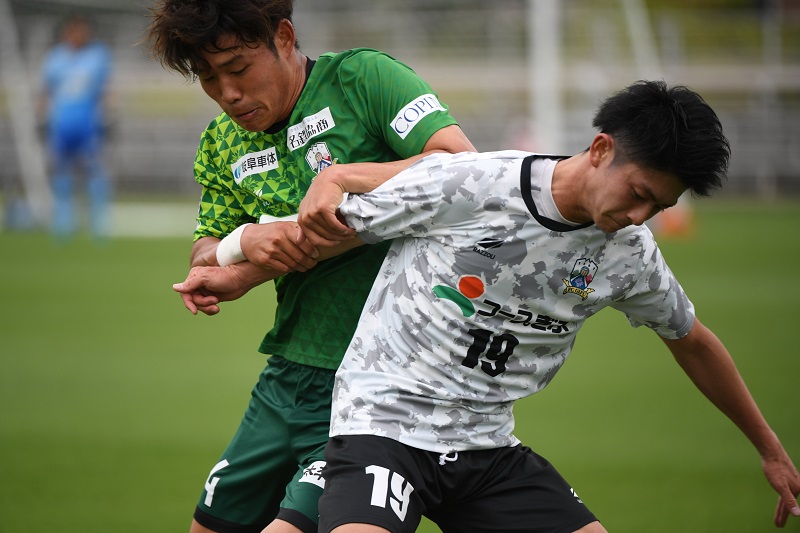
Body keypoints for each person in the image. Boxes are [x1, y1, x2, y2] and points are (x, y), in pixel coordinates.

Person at [175, 80, 800, 532]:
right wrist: (237, 271)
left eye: (658, 207)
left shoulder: (630, 254)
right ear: (602, 149)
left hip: (485, 449)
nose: (639, 216)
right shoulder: (473, 182)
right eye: (638, 193)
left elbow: (693, 341)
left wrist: (770, 449)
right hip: (383, 428)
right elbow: (331, 231)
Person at [145, 1, 475, 532]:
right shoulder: (222, 141)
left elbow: (461, 166)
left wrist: (341, 179)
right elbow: (204, 256)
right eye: (207, 78)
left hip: (372, 381)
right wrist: (242, 242)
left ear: (283, 36)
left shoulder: (361, 80)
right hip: (286, 377)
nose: (228, 93)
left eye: (237, 68)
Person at [39, 14, 113, 240]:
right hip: (61, 124)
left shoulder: (98, 56)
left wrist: (108, 116)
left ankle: (99, 223)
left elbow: (105, 90)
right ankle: (64, 222)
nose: (78, 35)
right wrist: (41, 117)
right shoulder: (55, 58)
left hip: (88, 124)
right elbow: (46, 91)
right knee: (62, 170)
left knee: (94, 170)